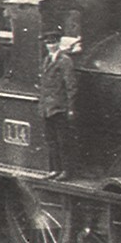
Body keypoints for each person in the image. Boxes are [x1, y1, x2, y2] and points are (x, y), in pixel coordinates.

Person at [38, 28, 77, 179]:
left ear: (58, 43)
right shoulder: (46, 60)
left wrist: (70, 107)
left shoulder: (65, 61)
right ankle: (54, 169)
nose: (50, 46)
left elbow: (71, 85)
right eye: (48, 43)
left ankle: (66, 171)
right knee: (51, 140)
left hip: (60, 107)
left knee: (63, 141)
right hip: (47, 108)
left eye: (53, 43)